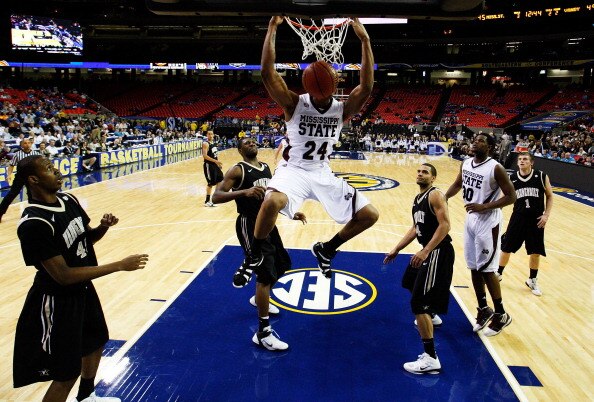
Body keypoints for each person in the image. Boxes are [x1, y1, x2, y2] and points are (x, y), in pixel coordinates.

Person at [242, 16, 379, 278]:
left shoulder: (341, 109)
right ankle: (255, 253)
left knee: (369, 215)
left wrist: (365, 39)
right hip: (294, 169)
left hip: (321, 171)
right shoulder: (294, 104)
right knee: (272, 202)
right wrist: (271, 28)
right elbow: (267, 73)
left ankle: (327, 249)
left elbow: (367, 86)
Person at [13, 155, 149, 401]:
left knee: (95, 342)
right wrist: (119, 265)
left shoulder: (68, 199)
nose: (56, 171)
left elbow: (85, 240)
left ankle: (86, 396)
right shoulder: (34, 223)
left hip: (83, 290)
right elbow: (63, 276)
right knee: (66, 372)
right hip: (56, 301)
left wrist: (103, 227)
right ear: (33, 179)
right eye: (48, 168)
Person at [212, 137, 305, 350]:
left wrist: (290, 213)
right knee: (264, 275)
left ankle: (258, 297)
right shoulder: (237, 170)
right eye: (246, 142)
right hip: (248, 224)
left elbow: (271, 200)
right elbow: (216, 196)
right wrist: (243, 192)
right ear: (239, 150)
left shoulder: (265, 168)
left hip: (268, 223)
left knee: (283, 265)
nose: (251, 143)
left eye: (253, 140)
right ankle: (263, 333)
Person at [384, 163, 454, 374]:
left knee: (418, 303)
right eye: (419, 171)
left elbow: (445, 226)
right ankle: (432, 315)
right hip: (429, 250)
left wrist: (425, 252)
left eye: (425, 172)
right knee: (409, 281)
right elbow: (416, 227)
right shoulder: (418, 199)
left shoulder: (435, 195)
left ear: (433, 178)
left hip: (437, 251)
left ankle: (431, 358)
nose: (420, 174)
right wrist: (397, 248)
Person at [445, 133, 516, 337]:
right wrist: (444, 197)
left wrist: (484, 206)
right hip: (471, 218)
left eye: (481, 140)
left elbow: (511, 197)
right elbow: (458, 184)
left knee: (487, 269)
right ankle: (484, 308)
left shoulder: (496, 168)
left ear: (491, 147)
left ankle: (501, 314)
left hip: (489, 220)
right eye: (474, 139)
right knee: (474, 267)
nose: (475, 142)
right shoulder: (466, 163)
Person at [497, 152, 553, 296]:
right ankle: (498, 273)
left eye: (525, 159)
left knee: (535, 251)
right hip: (518, 217)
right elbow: (503, 197)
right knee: (506, 247)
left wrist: (546, 215)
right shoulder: (512, 178)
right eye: (520, 159)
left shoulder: (541, 176)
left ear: (531, 162)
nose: (522, 161)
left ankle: (532, 279)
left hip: (536, 219)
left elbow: (550, 196)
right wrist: (495, 210)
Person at [0, 138, 42, 223]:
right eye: (25, 143)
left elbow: (40, 165)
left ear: (31, 144)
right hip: (20, 176)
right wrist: (9, 175)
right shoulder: (17, 154)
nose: (27, 144)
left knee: (32, 195)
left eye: (28, 143)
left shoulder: (36, 154)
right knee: (11, 194)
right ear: (22, 145)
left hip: (31, 177)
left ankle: (34, 213)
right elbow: (11, 165)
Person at [202, 130, 223, 207]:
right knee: (210, 183)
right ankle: (207, 201)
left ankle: (214, 198)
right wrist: (216, 161)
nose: (210, 135)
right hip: (209, 165)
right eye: (209, 134)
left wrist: (217, 164)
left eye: (211, 134)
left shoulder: (214, 144)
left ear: (213, 135)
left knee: (220, 179)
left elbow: (215, 155)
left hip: (215, 165)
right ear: (207, 135)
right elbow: (205, 156)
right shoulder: (205, 144)